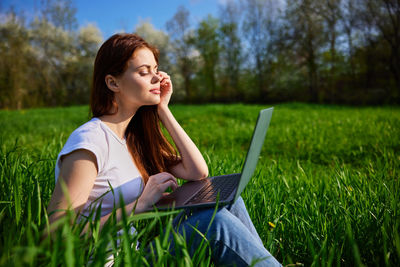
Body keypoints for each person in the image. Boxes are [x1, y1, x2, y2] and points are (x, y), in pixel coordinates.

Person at [47, 33, 281, 266]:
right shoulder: (90, 141)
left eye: (155, 69)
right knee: (216, 222)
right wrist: (139, 206)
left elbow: (197, 172)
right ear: (113, 83)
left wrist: (164, 110)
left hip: (134, 255)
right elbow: (55, 233)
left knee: (227, 200)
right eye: (143, 71)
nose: (156, 78)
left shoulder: (132, 140)